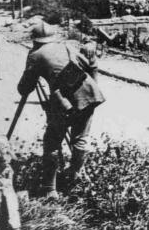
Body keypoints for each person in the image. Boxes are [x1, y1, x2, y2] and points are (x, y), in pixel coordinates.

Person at [17, 21, 105, 200]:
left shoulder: (36, 54)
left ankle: (50, 190)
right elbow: (90, 66)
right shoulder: (67, 47)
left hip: (65, 101)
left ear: (35, 40)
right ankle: (75, 177)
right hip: (89, 95)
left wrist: (32, 64)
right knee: (80, 139)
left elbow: (25, 88)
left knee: (52, 142)